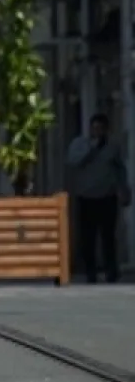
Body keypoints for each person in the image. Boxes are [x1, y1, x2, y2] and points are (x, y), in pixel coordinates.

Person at [67, 113, 131, 283]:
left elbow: (120, 169)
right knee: (88, 236)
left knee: (108, 236)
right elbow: (73, 162)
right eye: (95, 128)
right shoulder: (80, 143)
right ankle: (90, 271)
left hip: (107, 196)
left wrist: (124, 190)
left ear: (106, 130)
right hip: (86, 196)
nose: (97, 132)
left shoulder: (112, 146)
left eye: (101, 129)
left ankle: (111, 270)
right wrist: (91, 150)